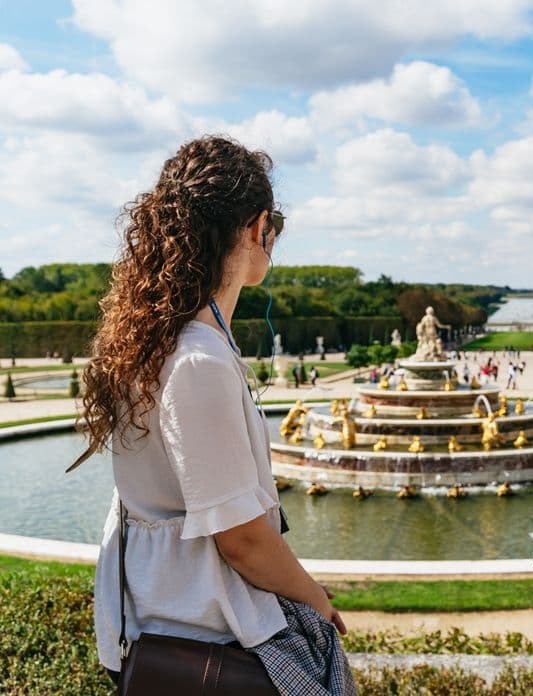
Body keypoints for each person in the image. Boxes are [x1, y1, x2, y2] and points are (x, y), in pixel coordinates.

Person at [74, 136, 356, 694]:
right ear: (257, 229)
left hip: (169, 625)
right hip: (208, 635)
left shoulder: (162, 340)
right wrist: (316, 599)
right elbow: (243, 541)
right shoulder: (197, 360)